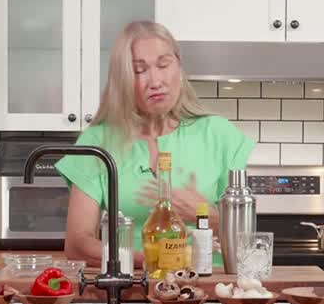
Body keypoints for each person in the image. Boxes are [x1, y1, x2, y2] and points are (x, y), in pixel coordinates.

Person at [56, 21, 255, 266]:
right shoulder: (97, 143)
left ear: (179, 66)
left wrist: (203, 214)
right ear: (123, 79)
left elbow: (247, 242)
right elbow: (77, 244)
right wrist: (152, 260)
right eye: (140, 70)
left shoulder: (220, 135)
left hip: (208, 289)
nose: (156, 81)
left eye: (163, 65)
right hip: (132, 289)